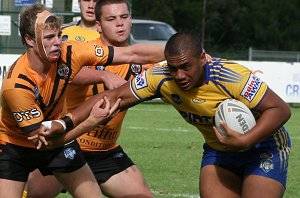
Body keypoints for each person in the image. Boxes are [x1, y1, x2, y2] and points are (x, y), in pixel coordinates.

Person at [38, 32, 291, 198]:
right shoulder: (160, 78)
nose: (179, 75)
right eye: (173, 67)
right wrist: (64, 122)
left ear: (202, 59)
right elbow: (111, 98)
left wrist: (246, 140)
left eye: (186, 67)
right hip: (220, 150)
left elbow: (280, 109)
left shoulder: (231, 76)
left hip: (262, 146)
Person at [0, 2, 165, 198]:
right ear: (29, 39)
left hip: (70, 141)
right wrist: (91, 121)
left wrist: (182, 54)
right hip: (17, 145)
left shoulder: (70, 52)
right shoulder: (16, 85)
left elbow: (131, 53)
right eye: (49, 37)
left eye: (59, 35)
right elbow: (46, 142)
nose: (57, 43)